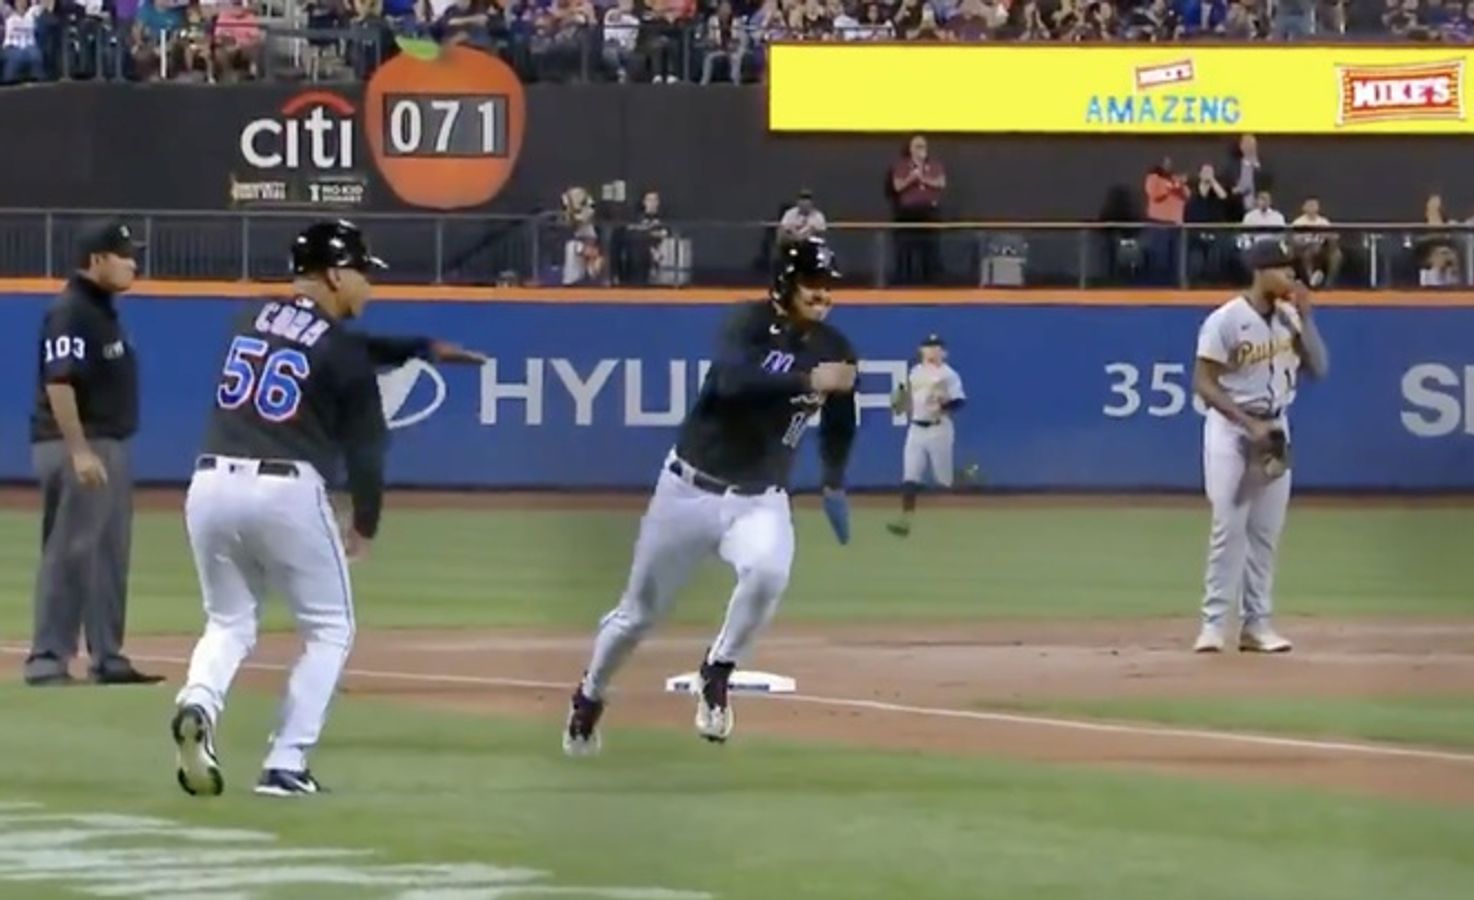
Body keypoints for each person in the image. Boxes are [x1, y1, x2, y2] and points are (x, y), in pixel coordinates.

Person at [169, 220, 486, 798]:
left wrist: (417, 347)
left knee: (229, 621)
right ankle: (285, 762)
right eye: (363, 273)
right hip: (286, 491)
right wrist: (365, 524)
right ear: (336, 274)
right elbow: (368, 449)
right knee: (330, 628)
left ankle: (198, 703)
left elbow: (318, 341)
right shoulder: (343, 352)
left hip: (209, 484)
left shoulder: (247, 316)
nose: (369, 285)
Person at [563, 236, 859, 756]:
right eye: (813, 282)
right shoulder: (745, 324)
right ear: (786, 283)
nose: (822, 293)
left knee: (768, 572)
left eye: (829, 284)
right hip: (688, 489)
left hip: (760, 498)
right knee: (637, 616)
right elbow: (731, 381)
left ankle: (718, 669)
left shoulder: (834, 347)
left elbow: (839, 417)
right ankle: (589, 696)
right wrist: (808, 378)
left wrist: (833, 478)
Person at [25, 220, 164, 687]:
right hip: (78, 444)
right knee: (72, 551)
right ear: (97, 260)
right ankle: (48, 658)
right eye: (124, 255)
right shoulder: (71, 312)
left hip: (109, 444)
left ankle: (108, 656)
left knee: (108, 553)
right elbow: (59, 382)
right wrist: (79, 451)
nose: (132, 263)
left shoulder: (102, 312)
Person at [1190, 240, 1329, 655]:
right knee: (1228, 526)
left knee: (1265, 532)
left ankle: (1256, 625)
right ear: (1260, 271)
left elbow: (1318, 368)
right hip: (1232, 431)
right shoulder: (1225, 320)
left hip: (1274, 428)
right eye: (1282, 268)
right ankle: (1213, 625)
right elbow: (1203, 381)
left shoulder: (1289, 318)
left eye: (1292, 269)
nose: (1290, 276)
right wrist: (1246, 423)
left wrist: (1306, 319)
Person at [887, 333, 966, 538]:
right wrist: (898, 402)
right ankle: (905, 521)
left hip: (939, 429)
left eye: (936, 347)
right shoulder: (914, 373)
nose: (932, 350)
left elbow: (960, 401)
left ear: (944, 352)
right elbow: (903, 400)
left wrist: (943, 405)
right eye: (928, 347)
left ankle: (966, 478)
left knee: (943, 480)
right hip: (916, 429)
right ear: (921, 350)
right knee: (910, 476)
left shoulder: (949, 375)